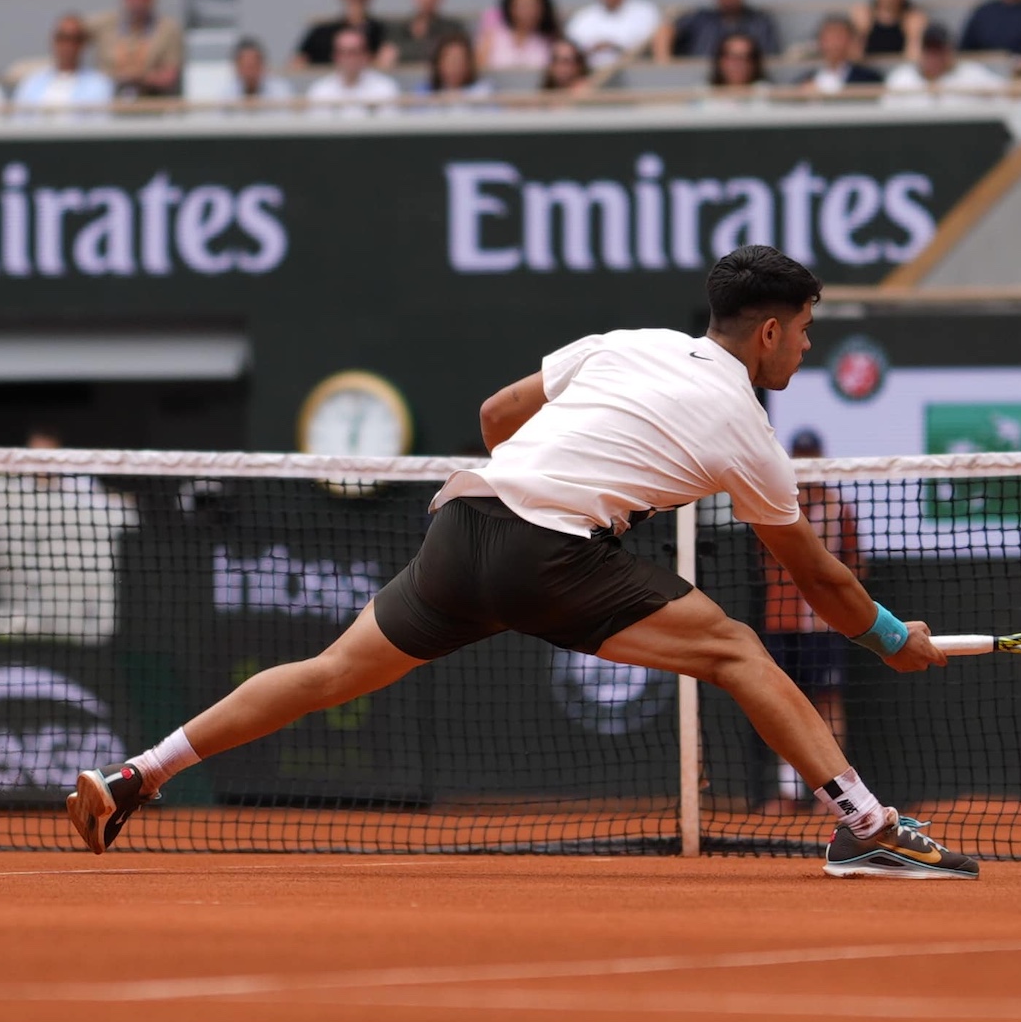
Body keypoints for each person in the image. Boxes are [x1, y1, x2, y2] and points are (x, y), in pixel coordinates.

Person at [63, 247, 970, 878]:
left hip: (465, 523)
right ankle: (867, 828)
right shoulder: (748, 430)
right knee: (737, 649)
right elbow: (818, 579)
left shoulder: (629, 344)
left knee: (330, 671)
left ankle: (137, 773)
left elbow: (498, 417)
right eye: (806, 331)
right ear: (768, 332)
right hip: (551, 552)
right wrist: (892, 637)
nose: (808, 349)